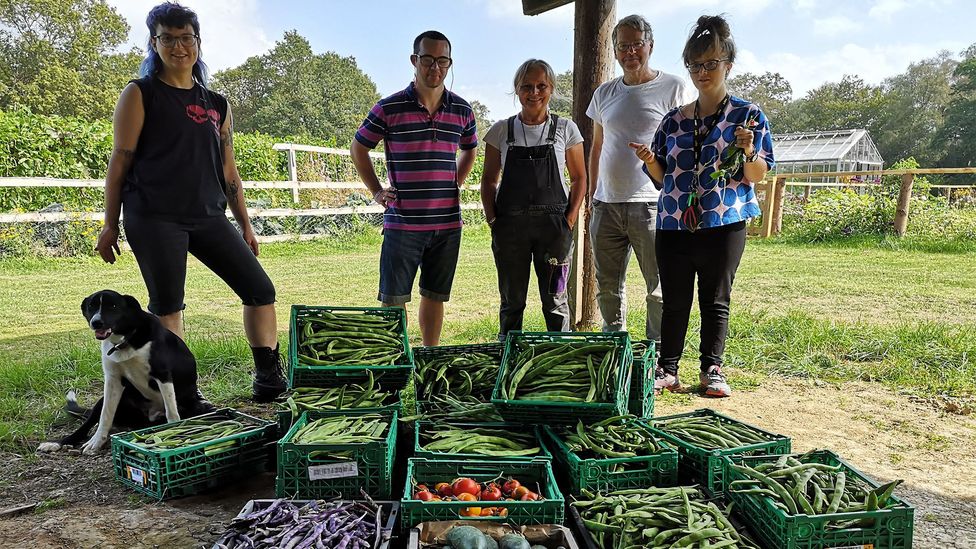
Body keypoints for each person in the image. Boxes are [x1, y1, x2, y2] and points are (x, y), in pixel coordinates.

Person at [94, 2, 286, 402]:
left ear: (198, 41)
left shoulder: (217, 104)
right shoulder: (140, 93)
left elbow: (229, 172)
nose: (178, 47)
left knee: (260, 289)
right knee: (168, 307)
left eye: (186, 38)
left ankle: (268, 376)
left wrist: (246, 225)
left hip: (208, 216)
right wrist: (109, 223)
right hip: (154, 216)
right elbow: (120, 160)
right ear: (155, 42)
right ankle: (182, 394)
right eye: (168, 38)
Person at [631, 14, 774, 398]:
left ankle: (712, 369)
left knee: (715, 299)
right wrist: (649, 159)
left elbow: (757, 174)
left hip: (724, 221)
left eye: (711, 63)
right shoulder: (673, 121)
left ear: (728, 64)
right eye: (695, 64)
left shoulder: (748, 116)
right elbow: (662, 179)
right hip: (674, 221)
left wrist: (747, 149)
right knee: (674, 300)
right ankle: (667, 369)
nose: (702, 71)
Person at [351, 30, 478, 347]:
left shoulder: (463, 111)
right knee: (393, 300)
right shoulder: (389, 108)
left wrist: (455, 182)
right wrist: (378, 192)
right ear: (414, 60)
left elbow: (470, 149)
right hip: (403, 222)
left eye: (442, 60)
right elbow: (359, 148)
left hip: (448, 224)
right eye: (427, 59)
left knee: (435, 296)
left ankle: (429, 358)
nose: (435, 67)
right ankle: (394, 363)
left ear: (449, 63)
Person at [585, 15, 691, 344]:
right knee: (607, 287)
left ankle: (656, 355)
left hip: (653, 204)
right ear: (614, 52)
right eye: (622, 46)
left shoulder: (673, 87)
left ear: (650, 46)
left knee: (658, 287)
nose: (630, 52)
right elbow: (597, 147)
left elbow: (686, 145)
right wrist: (592, 196)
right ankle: (615, 349)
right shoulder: (604, 93)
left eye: (636, 44)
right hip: (606, 204)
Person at [480, 59, 586, 339]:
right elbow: (489, 180)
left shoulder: (566, 129)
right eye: (527, 86)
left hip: (554, 230)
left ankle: (560, 354)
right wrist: (493, 220)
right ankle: (508, 356)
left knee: (556, 301)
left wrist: (570, 218)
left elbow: (579, 178)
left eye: (541, 86)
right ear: (517, 89)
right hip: (510, 229)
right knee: (512, 301)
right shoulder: (501, 131)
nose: (534, 92)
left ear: (551, 88)